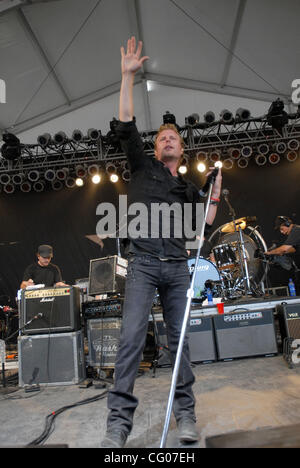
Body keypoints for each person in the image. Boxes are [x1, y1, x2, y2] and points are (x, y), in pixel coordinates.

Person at [101, 37, 222, 448]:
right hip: (143, 264)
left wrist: (215, 191)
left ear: (182, 149)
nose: (168, 140)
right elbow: (126, 123)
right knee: (132, 338)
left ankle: (185, 415)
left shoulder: (187, 187)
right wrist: (127, 77)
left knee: (179, 343)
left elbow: (205, 222)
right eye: (163, 137)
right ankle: (117, 425)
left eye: (174, 138)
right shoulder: (142, 165)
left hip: (176, 267)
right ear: (155, 147)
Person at [265, 216, 300, 293]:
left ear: (287, 224)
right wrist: (278, 252)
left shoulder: (296, 230)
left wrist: (269, 253)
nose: (281, 232)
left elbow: (284, 248)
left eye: (281, 229)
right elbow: (292, 249)